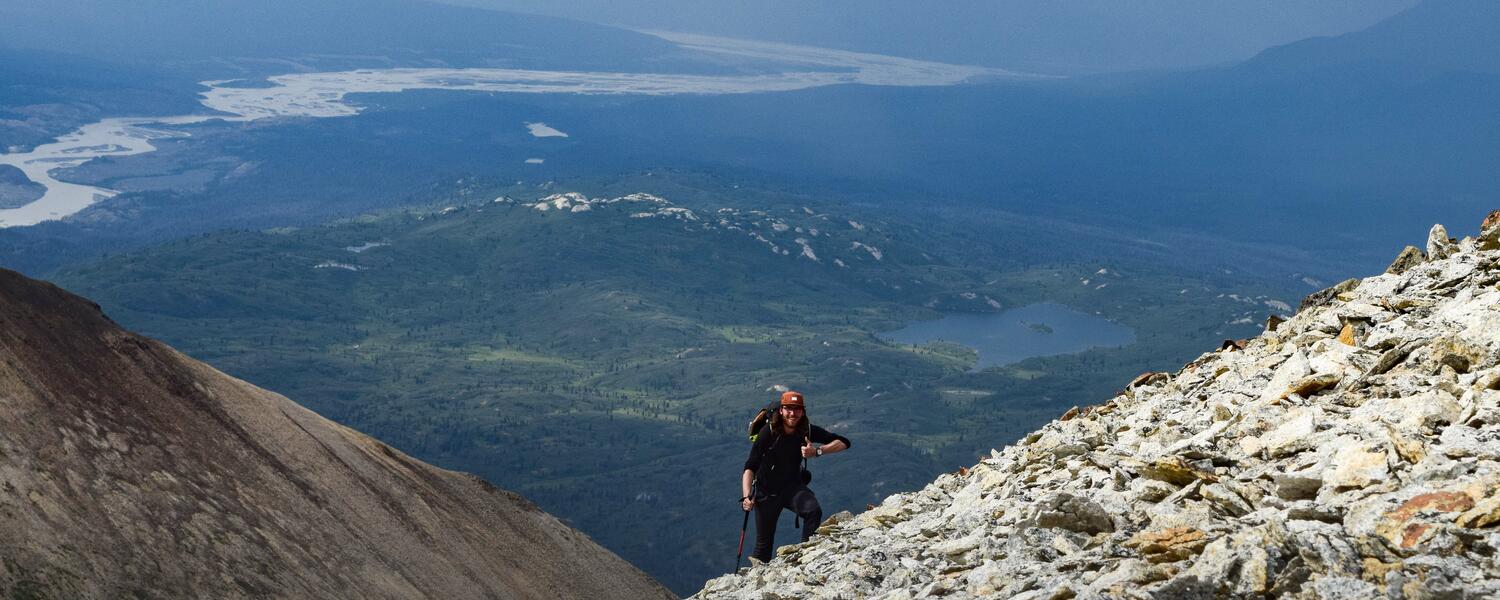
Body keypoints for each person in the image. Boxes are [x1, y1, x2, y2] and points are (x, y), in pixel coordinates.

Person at [740, 390, 851, 564]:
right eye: (789, 409)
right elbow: (750, 466)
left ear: (803, 411)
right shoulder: (768, 433)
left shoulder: (805, 430)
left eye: (797, 409)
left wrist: (817, 451)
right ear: (781, 410)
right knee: (763, 547)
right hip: (766, 492)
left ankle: (807, 559)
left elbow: (844, 442)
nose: (793, 413)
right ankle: (756, 582)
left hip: (792, 487)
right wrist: (747, 496)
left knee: (813, 511)